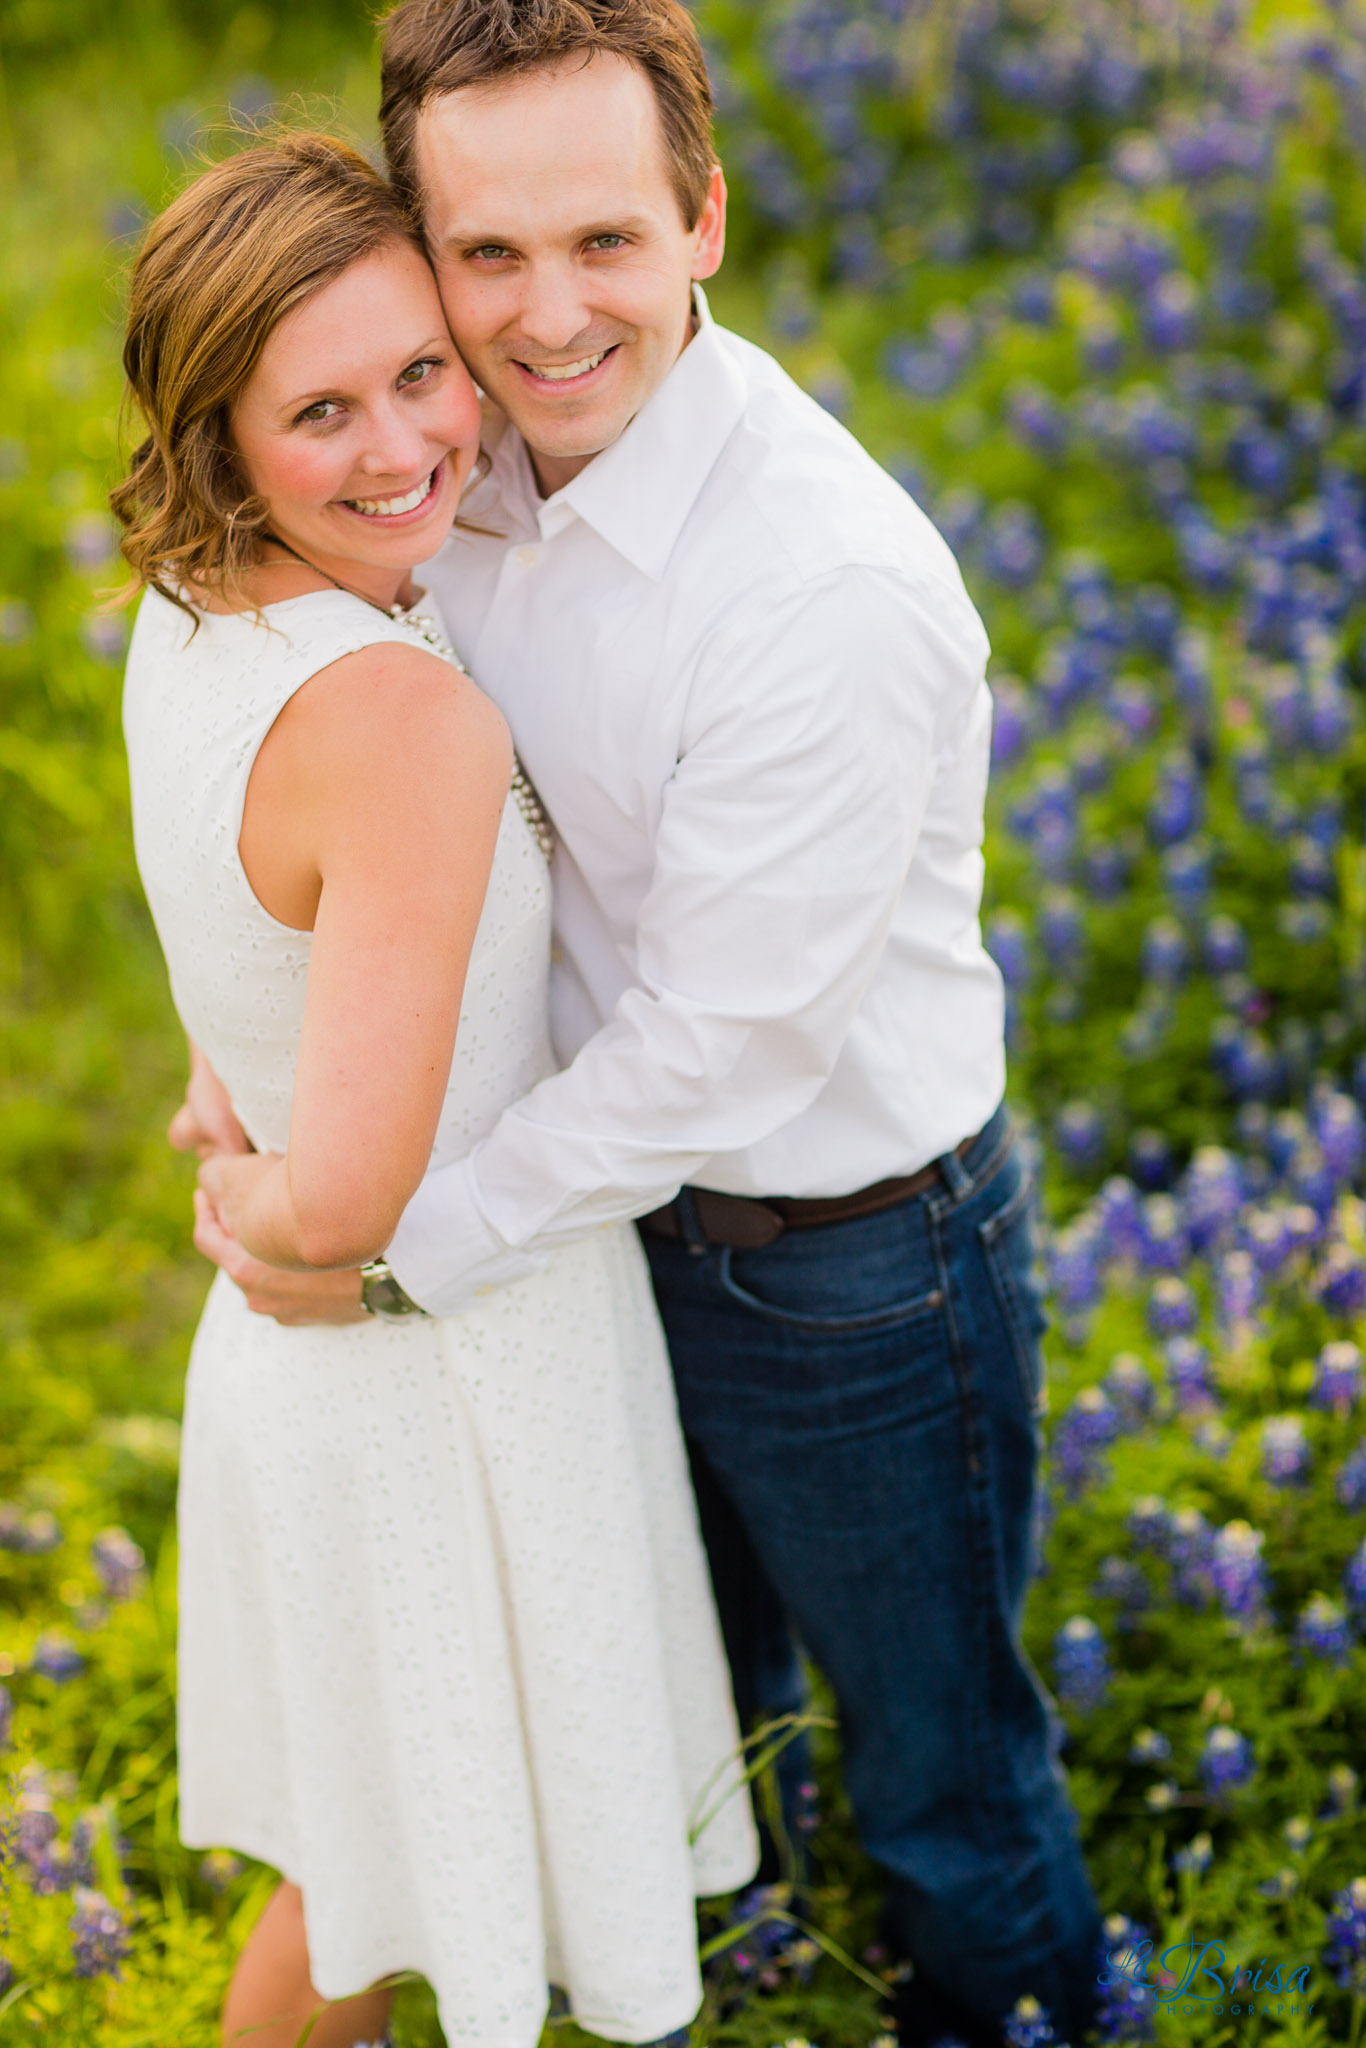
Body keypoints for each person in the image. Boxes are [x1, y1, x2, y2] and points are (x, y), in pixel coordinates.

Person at [181, 2, 1105, 2042]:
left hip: (844, 1268)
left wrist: (384, 1254)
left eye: (599, 240)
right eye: (484, 255)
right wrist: (247, 1049)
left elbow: (718, 1056)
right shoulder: (439, 450)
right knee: (681, 1719)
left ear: (700, 216)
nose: (542, 314)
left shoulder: (819, 586)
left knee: (939, 1772)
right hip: (584, 1233)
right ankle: (749, 1986)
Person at [115, 131, 756, 2048]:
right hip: (440, 1382)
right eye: (322, 408)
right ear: (221, 435)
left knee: (366, 1888)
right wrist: (261, 1203)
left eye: (422, 371)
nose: (405, 447)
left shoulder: (194, 614)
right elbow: (360, 1202)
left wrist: (234, 1082)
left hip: (316, 1394)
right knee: (374, 1908)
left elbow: (256, 919)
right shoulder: (407, 718)